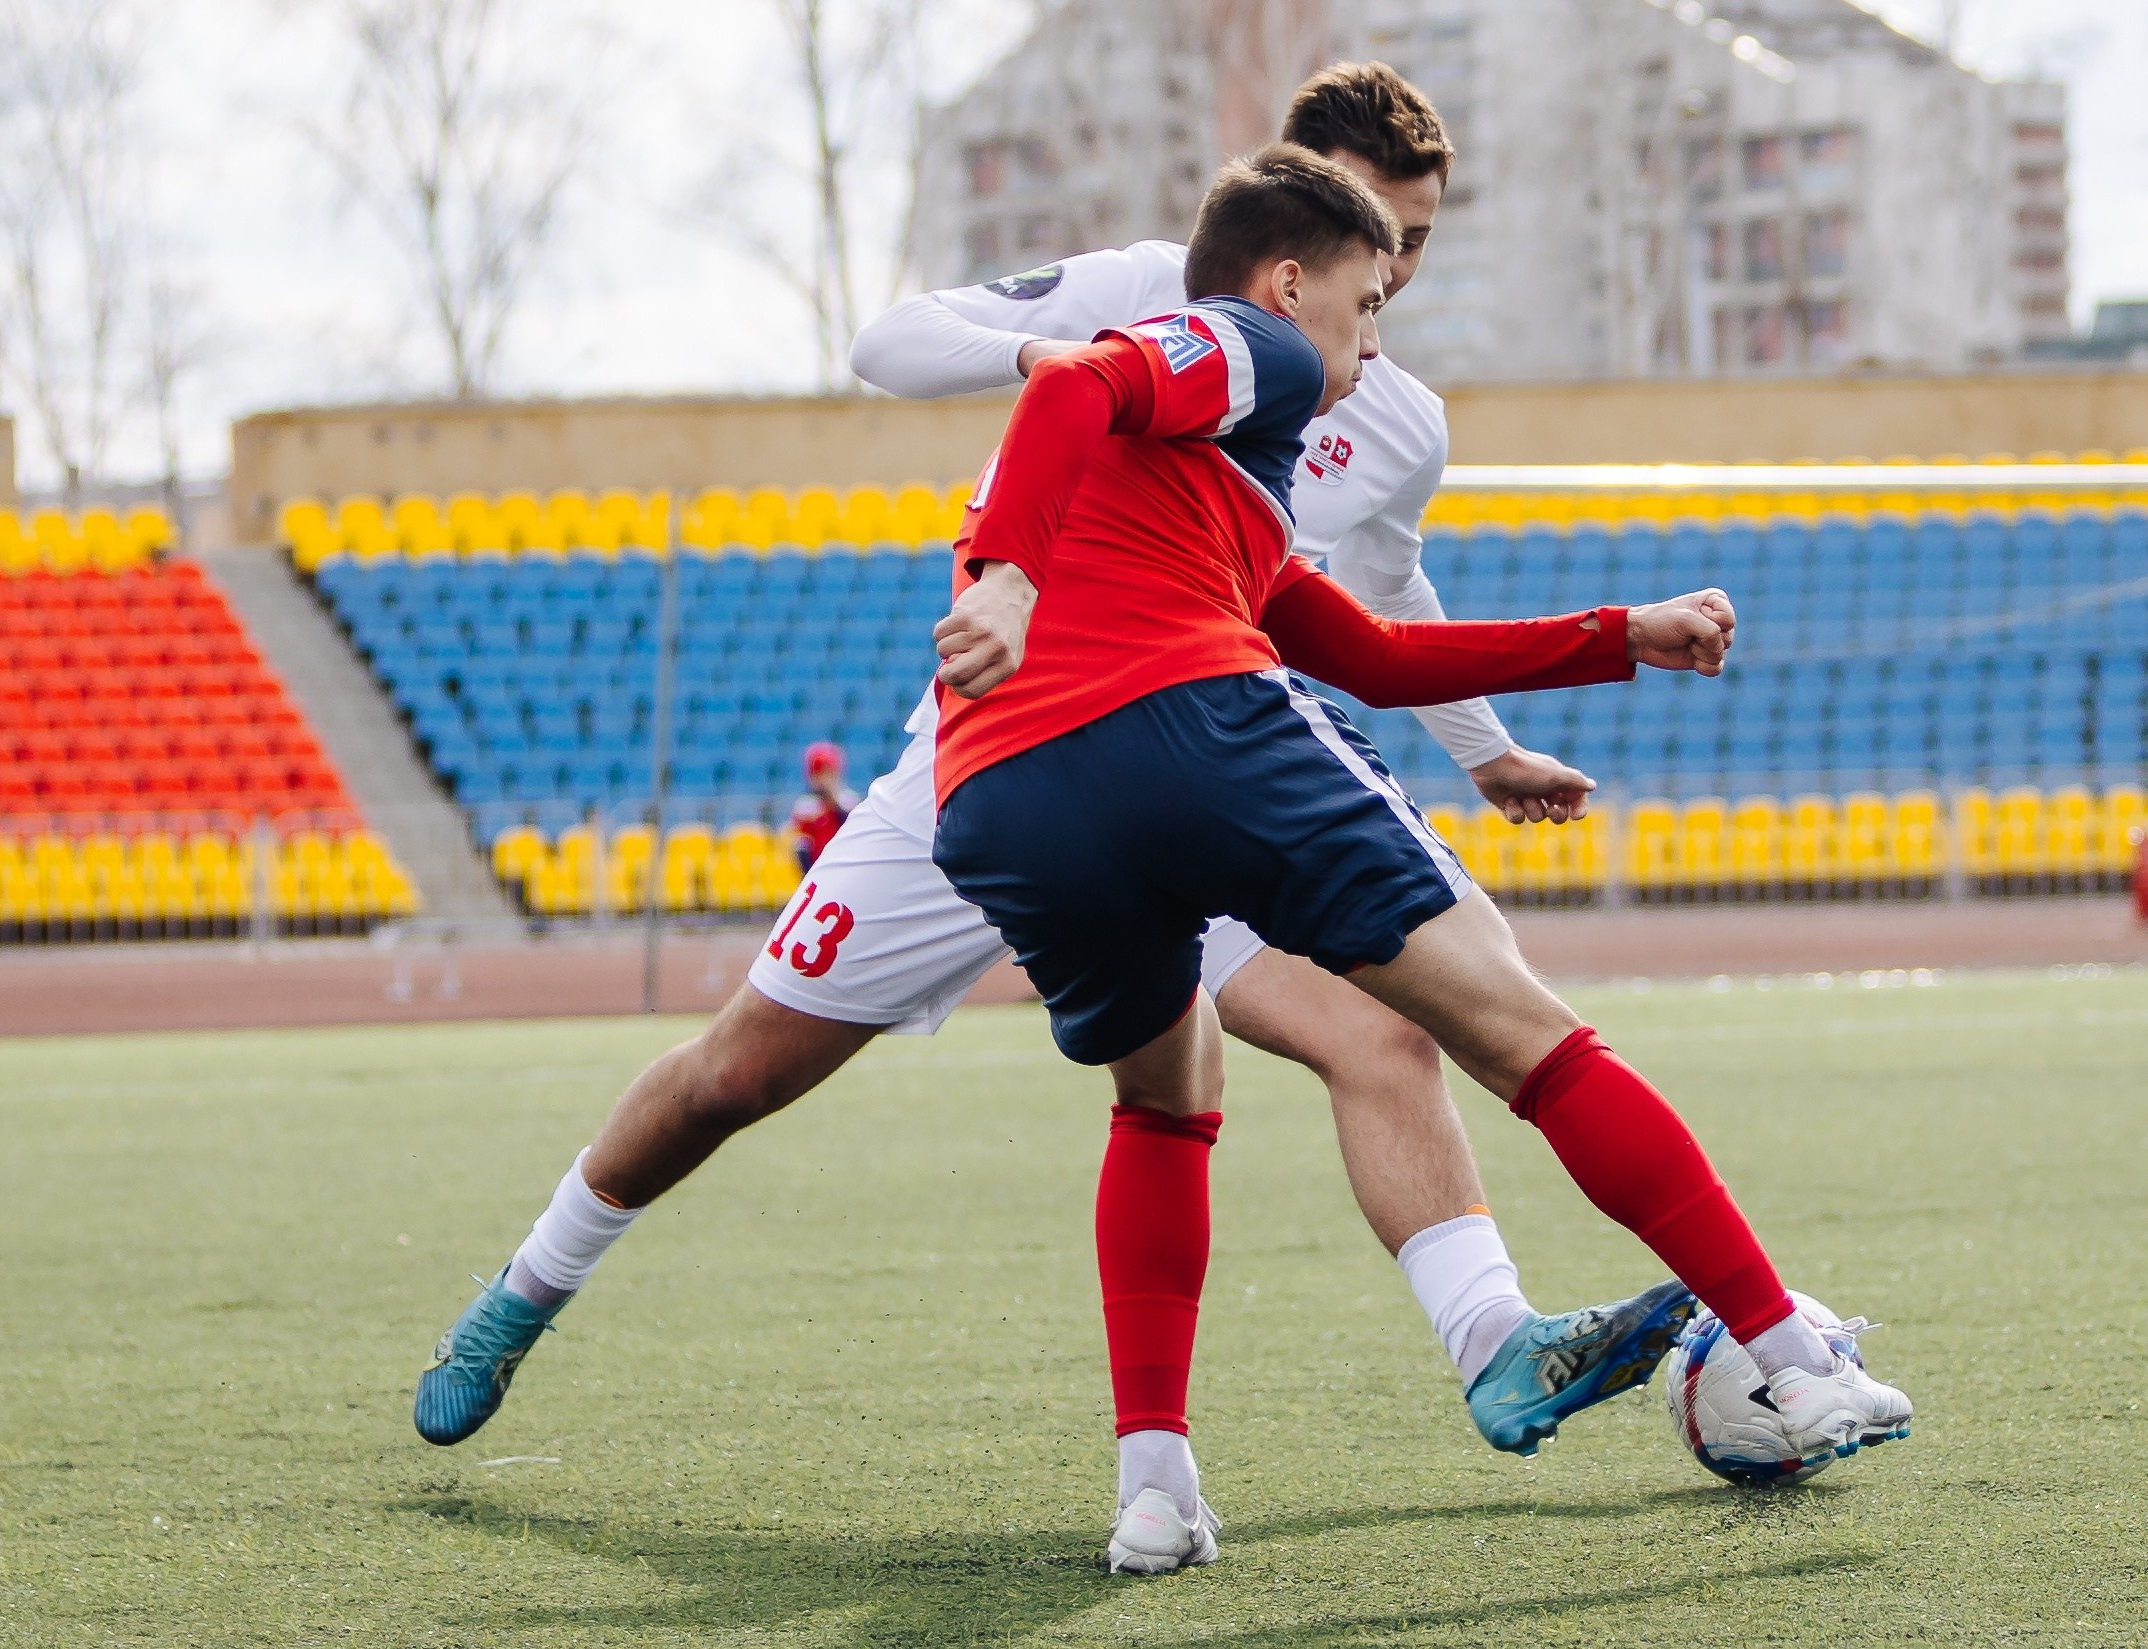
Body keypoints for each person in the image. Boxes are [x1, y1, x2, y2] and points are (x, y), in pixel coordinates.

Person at [414, 65, 1710, 1481]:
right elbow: (893, 341)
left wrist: (1488, 750)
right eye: (1372, 237)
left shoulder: (1397, 414)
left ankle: (1490, 1341)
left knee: (1382, 1032)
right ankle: (525, 1290)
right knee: (738, 1072)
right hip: (991, 747)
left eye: (1414, 242)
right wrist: (1067, 368)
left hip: (1196, 755)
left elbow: (1381, 594)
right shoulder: (1151, 288)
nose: (1389, 269)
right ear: (1287, 208)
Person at [930, 142, 1912, 1573]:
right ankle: (1787, 1349)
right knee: (1529, 1036)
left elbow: (1381, 657)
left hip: (1006, 796)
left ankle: (1155, 1489)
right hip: (1186, 722)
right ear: (1285, 282)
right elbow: (1074, 377)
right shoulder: (1251, 343)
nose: (1371, 342)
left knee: (1162, 1101)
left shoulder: (1215, 493)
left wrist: (1614, 636)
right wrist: (1003, 571)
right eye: (1365, 304)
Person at [789, 740, 858, 871]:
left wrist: (832, 799)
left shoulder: (848, 799)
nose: (823, 779)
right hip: (815, 868)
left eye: (828, 773)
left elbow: (849, 828)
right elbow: (801, 845)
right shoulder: (805, 805)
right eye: (819, 773)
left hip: (844, 865)